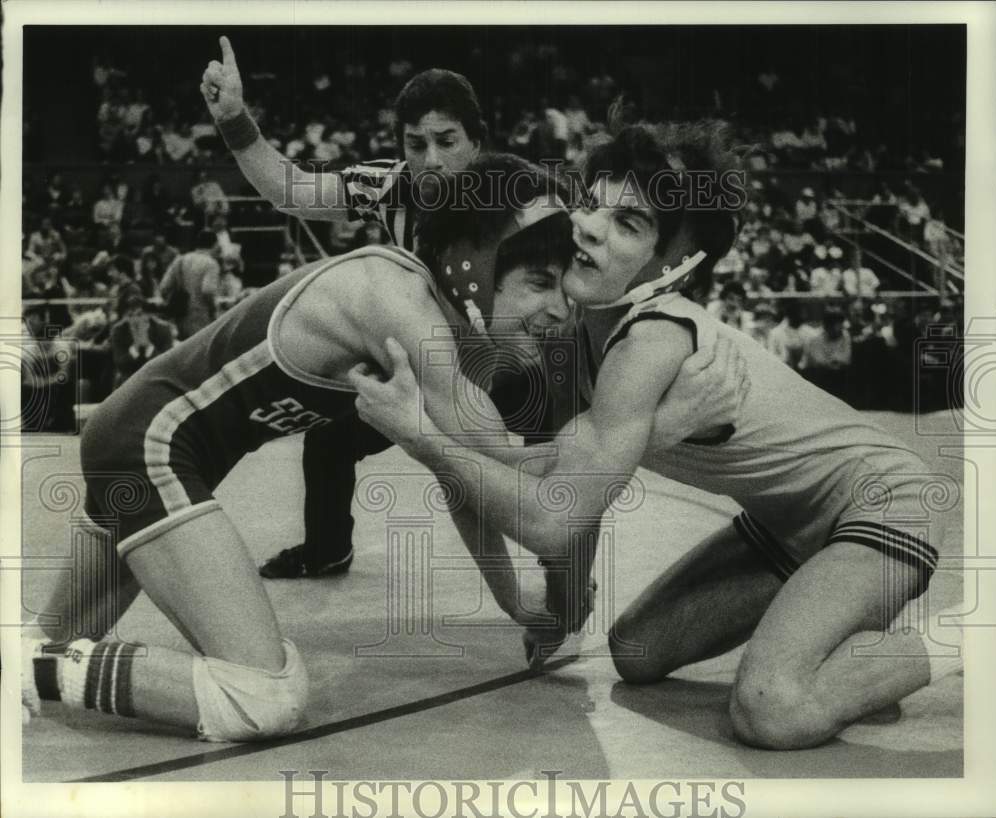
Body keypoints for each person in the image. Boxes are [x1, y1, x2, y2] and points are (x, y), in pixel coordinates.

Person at [22, 154, 742, 741]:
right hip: (149, 448)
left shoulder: (432, 312)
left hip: (143, 446)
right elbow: (499, 457)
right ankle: (41, 667)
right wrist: (654, 421)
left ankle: (33, 663)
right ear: (474, 263)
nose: (558, 308)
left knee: (31, 647)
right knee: (263, 695)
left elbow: (462, 476)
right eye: (539, 282)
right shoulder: (394, 303)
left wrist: (511, 598)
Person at [352, 121, 959, 750]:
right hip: (787, 523)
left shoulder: (653, 340)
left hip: (886, 501)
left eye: (628, 224)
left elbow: (554, 518)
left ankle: (973, 632)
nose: (587, 227)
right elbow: (570, 490)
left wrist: (422, 438)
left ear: (669, 263)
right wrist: (562, 610)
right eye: (590, 205)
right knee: (636, 653)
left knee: (772, 710)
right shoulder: (576, 329)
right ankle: (844, 637)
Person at [201, 37, 484, 579]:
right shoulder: (390, 186)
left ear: (477, 142)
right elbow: (293, 190)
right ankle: (328, 548)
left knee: (512, 458)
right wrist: (235, 120)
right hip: (416, 366)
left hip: (493, 364)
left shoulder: (514, 197)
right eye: (416, 143)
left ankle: (560, 561)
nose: (431, 160)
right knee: (329, 440)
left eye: (446, 141)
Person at [159, 229, 221, 340]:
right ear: (215, 244)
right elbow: (208, 290)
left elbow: (164, 287)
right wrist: (213, 309)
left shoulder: (180, 259)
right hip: (202, 316)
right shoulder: (211, 263)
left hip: (181, 316)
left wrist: (174, 302)